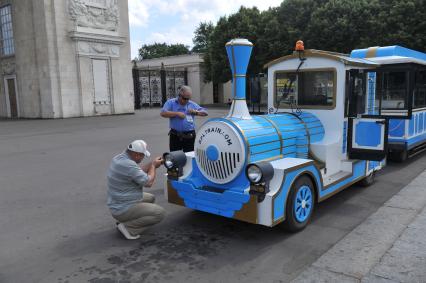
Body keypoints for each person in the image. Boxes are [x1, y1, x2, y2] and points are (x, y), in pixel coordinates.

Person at [107, 140, 165, 240]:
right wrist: (153, 166)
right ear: (137, 155)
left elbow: (138, 172)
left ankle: (126, 221)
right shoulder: (128, 165)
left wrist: (152, 163)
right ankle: (129, 228)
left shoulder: (119, 159)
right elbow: (148, 183)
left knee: (150, 198)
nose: (142, 159)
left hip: (117, 202)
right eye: (143, 156)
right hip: (121, 208)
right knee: (160, 213)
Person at [160, 85, 208, 152]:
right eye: (185, 98)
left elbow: (205, 113)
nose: (186, 101)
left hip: (190, 136)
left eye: (188, 99)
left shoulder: (192, 104)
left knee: (190, 157)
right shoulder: (171, 102)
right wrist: (176, 114)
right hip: (175, 136)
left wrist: (195, 112)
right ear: (179, 95)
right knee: (175, 157)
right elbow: (163, 113)